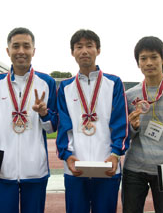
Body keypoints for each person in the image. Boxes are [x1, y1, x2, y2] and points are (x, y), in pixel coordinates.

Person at [0, 27, 58, 213]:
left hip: (35, 168)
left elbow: (52, 127)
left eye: (26, 46)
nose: (21, 51)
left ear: (33, 51)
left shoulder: (47, 83)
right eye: (16, 46)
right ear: (8, 51)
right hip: (3, 170)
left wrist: (44, 113)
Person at [56, 29, 130, 213]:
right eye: (79, 47)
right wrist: (66, 155)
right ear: (72, 52)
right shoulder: (65, 87)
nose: (84, 51)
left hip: (107, 165)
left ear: (98, 50)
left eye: (89, 46)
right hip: (74, 167)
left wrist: (115, 154)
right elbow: (63, 126)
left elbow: (121, 122)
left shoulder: (113, 83)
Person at [122, 36, 163, 213]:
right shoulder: (129, 95)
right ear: (138, 63)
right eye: (143, 58)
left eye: (154, 57)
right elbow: (126, 136)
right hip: (134, 169)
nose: (149, 62)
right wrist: (133, 127)